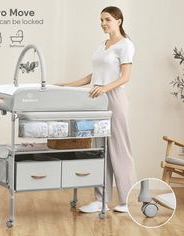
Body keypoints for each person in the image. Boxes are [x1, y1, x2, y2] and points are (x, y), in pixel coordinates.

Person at [57, 6, 136, 213]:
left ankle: (125, 201)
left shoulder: (125, 45)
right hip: (97, 99)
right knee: (100, 149)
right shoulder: (102, 46)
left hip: (114, 98)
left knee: (120, 149)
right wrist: (67, 85)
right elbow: (92, 77)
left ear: (118, 20)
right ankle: (100, 199)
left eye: (107, 19)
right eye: (101, 20)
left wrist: (104, 89)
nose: (103, 23)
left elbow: (125, 77)